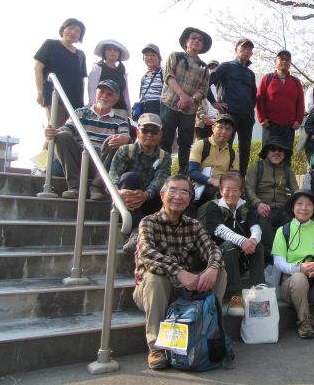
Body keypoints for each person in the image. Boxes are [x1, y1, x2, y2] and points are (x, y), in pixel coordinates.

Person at [133, 174, 227, 370]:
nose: (178, 196)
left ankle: (209, 331)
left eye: (184, 192)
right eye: (173, 190)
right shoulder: (148, 222)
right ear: (162, 195)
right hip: (153, 291)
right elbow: (147, 253)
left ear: (190, 198)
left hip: (184, 291)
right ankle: (156, 348)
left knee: (219, 272)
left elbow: (212, 249)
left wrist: (212, 268)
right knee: (155, 278)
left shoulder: (193, 225)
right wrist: (179, 272)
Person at [44, 79, 130, 200]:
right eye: (102, 92)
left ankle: (97, 187)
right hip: (79, 159)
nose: (104, 96)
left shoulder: (120, 120)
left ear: (115, 99)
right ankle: (75, 187)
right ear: (96, 93)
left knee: (115, 142)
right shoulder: (80, 113)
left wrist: (124, 138)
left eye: (109, 94)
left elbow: (125, 135)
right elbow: (66, 129)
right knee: (62, 136)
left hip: (102, 162)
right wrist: (52, 132)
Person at [272, 190, 314, 341]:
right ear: (293, 207)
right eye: (299, 204)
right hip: (292, 286)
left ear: (313, 208)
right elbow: (278, 262)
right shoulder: (283, 231)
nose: (304, 208)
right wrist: (299, 268)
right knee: (299, 278)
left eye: (308, 204)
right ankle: (304, 321)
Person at [202, 172, 265, 317]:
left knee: (258, 246)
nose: (231, 194)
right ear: (220, 190)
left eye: (235, 190)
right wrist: (243, 241)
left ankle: (259, 289)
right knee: (229, 245)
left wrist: (252, 241)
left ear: (241, 191)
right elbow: (219, 230)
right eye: (227, 189)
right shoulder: (213, 207)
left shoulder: (246, 207)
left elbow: (255, 227)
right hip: (221, 257)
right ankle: (235, 295)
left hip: (242, 256)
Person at [159, 27, 212, 173]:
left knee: (185, 143)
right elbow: (168, 76)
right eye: (193, 38)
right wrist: (182, 95)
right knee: (165, 140)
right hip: (169, 104)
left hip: (190, 110)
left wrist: (191, 99)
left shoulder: (204, 67)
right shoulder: (175, 56)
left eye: (200, 40)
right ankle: (162, 172)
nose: (196, 41)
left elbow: (204, 89)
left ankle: (183, 174)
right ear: (186, 41)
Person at [108, 113, 171, 231]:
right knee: (129, 177)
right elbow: (113, 175)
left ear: (160, 134)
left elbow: (160, 179)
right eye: (145, 130)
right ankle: (135, 228)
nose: (149, 135)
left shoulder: (165, 157)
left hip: (149, 200)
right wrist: (117, 192)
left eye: (154, 131)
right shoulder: (125, 150)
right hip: (126, 200)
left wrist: (146, 195)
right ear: (137, 132)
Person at [209, 38, 257, 175]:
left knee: (245, 149)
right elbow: (206, 82)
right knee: (224, 145)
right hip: (228, 114)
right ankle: (221, 177)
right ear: (236, 50)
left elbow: (253, 95)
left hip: (246, 116)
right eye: (243, 48)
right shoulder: (226, 66)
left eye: (249, 49)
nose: (246, 51)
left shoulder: (250, 74)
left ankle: (240, 179)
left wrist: (250, 111)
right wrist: (214, 102)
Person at [244, 138, 299, 259]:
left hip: (283, 209)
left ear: (284, 154)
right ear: (267, 152)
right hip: (262, 209)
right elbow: (248, 189)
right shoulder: (256, 167)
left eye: (281, 150)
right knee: (264, 228)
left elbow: (296, 191)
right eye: (273, 149)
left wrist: (301, 207)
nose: (277, 152)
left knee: (296, 224)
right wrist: (258, 204)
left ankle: (291, 258)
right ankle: (269, 260)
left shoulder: (287, 170)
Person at [34, 18, 87, 128]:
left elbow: (81, 79)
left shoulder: (80, 55)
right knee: (56, 130)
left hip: (75, 100)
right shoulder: (50, 45)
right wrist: (40, 93)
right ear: (63, 29)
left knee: (72, 132)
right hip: (54, 96)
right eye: (70, 28)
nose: (73, 32)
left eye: (77, 31)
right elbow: (38, 68)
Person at [256, 49, 304, 160]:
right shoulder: (267, 78)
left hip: (289, 127)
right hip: (270, 126)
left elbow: (300, 102)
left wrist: (298, 120)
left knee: (285, 157)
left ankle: (285, 172)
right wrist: (262, 118)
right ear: (275, 61)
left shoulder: (296, 82)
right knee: (268, 156)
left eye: (287, 60)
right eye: (281, 59)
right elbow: (259, 99)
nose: (285, 61)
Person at [188, 114, 237, 205]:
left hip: (222, 188)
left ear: (232, 132)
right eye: (220, 127)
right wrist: (213, 181)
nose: (224, 131)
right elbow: (192, 172)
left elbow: (235, 176)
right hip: (199, 186)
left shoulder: (233, 153)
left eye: (228, 129)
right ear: (213, 128)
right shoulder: (201, 145)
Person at [88, 39, 131, 116]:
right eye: (109, 49)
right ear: (104, 52)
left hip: (120, 110)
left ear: (119, 54)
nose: (112, 51)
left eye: (115, 50)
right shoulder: (97, 68)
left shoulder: (122, 72)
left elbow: (126, 95)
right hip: (101, 109)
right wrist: (93, 108)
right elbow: (92, 90)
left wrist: (129, 112)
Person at [134, 44, 163, 117]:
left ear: (159, 58)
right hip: (145, 112)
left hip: (159, 111)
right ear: (143, 58)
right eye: (147, 55)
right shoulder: (144, 76)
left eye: (153, 55)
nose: (150, 58)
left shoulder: (163, 72)